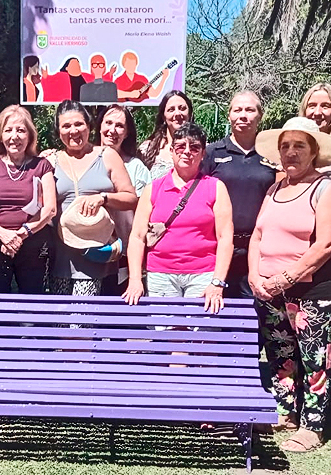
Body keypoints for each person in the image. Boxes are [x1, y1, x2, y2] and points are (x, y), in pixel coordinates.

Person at [248, 116, 331, 454]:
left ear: (314, 151)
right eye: (285, 146)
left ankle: (313, 427)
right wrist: (255, 276)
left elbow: (328, 243)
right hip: (270, 291)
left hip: (311, 292)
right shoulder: (275, 189)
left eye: (299, 146)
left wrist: (285, 278)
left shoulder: (325, 188)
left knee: (315, 358)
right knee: (281, 355)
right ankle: (286, 412)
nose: (291, 152)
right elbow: (259, 235)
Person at [124, 122, 232, 314]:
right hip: (161, 273)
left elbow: (225, 238)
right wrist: (134, 279)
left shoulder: (215, 187)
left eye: (195, 147)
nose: (187, 152)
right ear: (172, 151)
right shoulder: (153, 189)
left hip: (203, 274)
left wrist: (217, 282)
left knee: (200, 338)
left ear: (203, 153)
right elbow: (137, 237)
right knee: (165, 337)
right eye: (181, 146)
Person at [49, 100, 138, 296]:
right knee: (58, 324)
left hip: (98, 258)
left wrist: (103, 198)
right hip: (60, 259)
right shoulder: (50, 161)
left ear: (89, 126)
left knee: (82, 322)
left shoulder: (107, 156)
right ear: (58, 131)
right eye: (66, 126)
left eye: (79, 124)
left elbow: (131, 198)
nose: (73, 131)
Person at [201, 90, 277, 298]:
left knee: (257, 315)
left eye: (250, 110)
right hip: (218, 249)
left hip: (259, 251)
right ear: (229, 115)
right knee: (216, 313)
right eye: (238, 110)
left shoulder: (272, 154)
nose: (243, 115)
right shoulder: (212, 153)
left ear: (260, 116)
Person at [0, 105, 57, 294]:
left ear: (29, 135)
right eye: (8, 130)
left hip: (33, 247)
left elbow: (50, 209)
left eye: (21, 130)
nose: (15, 136)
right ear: (0, 135)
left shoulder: (42, 165)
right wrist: (2, 235)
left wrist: (19, 235)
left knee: (32, 309)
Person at [96, 104, 151, 294]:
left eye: (119, 125)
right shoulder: (83, 160)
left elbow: (144, 215)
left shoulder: (136, 168)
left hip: (123, 255)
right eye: (108, 123)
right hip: (86, 252)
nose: (112, 130)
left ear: (127, 133)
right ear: (99, 126)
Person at [140, 91, 193, 180]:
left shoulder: (203, 150)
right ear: (163, 116)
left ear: (190, 113)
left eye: (182, 108)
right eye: (171, 110)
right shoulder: (146, 150)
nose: (177, 113)